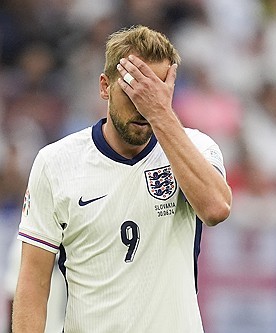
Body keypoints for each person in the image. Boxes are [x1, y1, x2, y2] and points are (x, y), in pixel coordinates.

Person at [12, 25, 232, 332]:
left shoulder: (196, 149)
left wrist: (162, 114)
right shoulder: (56, 162)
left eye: (154, 92)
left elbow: (216, 209)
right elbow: (32, 285)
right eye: (133, 90)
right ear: (105, 86)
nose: (144, 106)